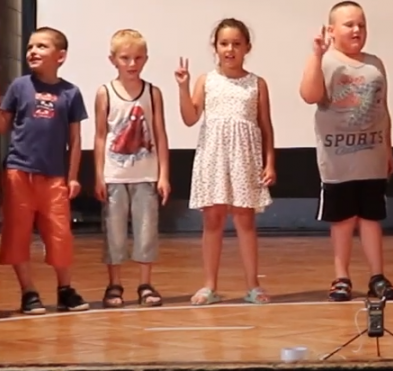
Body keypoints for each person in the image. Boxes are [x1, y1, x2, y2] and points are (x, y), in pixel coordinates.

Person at [300, 1, 393, 302]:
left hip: (371, 158)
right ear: (331, 30)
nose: (357, 30)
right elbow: (309, 95)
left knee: (371, 218)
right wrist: (316, 55)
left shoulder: (375, 64)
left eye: (361, 24)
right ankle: (341, 276)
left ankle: (377, 276)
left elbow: (383, 110)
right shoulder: (325, 62)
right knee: (343, 220)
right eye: (349, 25)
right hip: (338, 161)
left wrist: (388, 148)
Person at [0, 27, 90, 314]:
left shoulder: (70, 92)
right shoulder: (20, 86)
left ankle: (65, 289)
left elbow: (75, 139)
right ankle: (28, 291)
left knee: (59, 234)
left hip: (54, 176)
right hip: (19, 172)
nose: (33, 51)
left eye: (42, 46)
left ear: (60, 56)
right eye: (30, 46)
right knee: (17, 233)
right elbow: (2, 126)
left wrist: (72, 177)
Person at [177, 19, 275, 305]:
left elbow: (266, 127)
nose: (230, 49)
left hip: (245, 158)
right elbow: (190, 117)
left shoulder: (257, 84)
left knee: (245, 219)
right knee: (213, 219)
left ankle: (253, 285)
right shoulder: (206, 81)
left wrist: (270, 162)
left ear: (247, 48)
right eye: (224, 43)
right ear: (215, 47)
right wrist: (183, 87)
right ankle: (209, 285)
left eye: (236, 44)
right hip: (213, 157)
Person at [93, 29, 171, 308]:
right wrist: (99, 175)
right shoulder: (105, 93)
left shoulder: (152, 93)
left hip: (146, 175)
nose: (132, 63)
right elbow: (100, 136)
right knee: (114, 232)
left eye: (138, 58)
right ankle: (114, 284)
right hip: (114, 176)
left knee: (146, 231)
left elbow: (160, 134)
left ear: (146, 59)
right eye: (125, 58)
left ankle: (145, 284)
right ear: (113, 60)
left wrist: (164, 175)